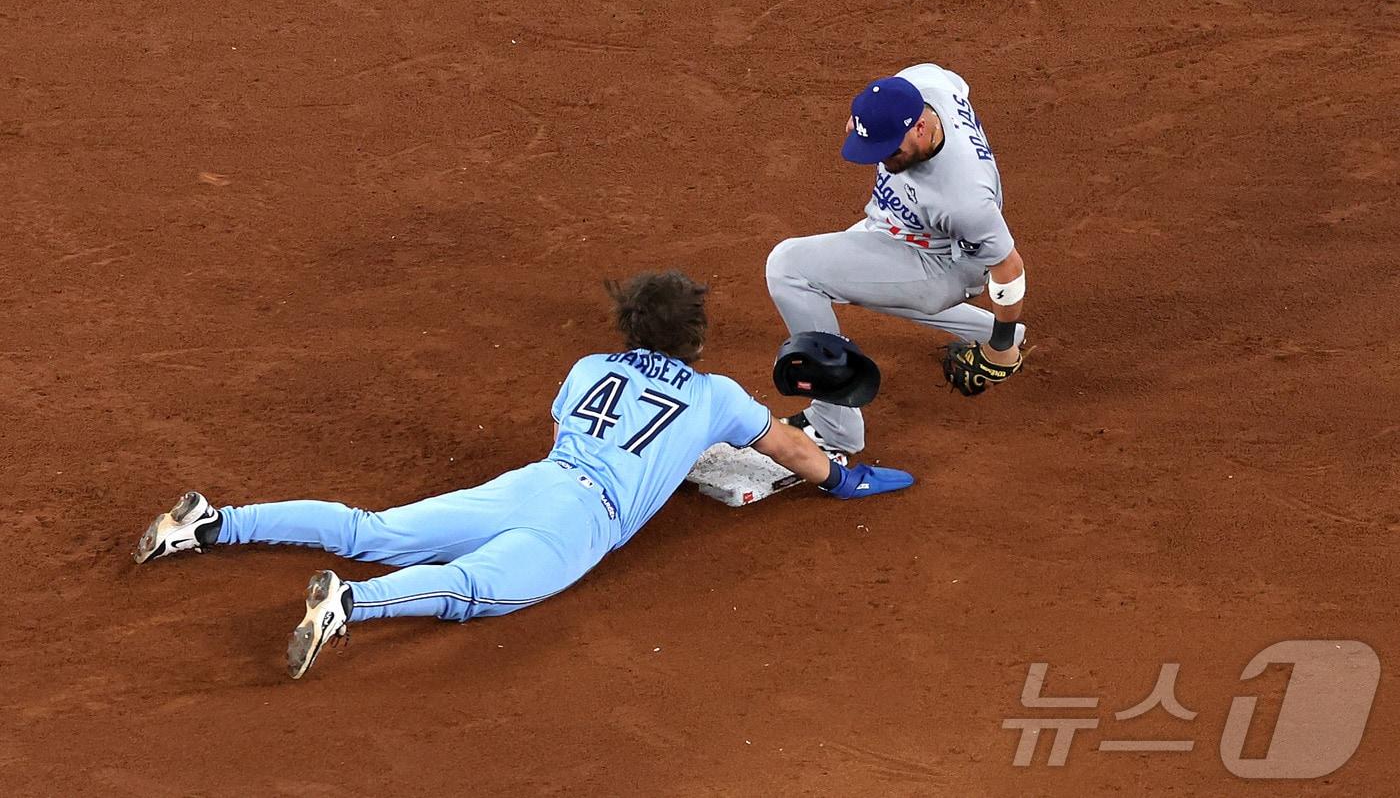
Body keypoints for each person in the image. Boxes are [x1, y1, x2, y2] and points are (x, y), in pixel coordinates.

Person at [133, 271, 915, 679]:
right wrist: (843, 480)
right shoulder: (715, 397)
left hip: (530, 482)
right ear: (695, 334)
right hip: (578, 521)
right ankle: (351, 604)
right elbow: (786, 447)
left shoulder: (587, 367)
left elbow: (566, 432)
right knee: (472, 589)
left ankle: (211, 521)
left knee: (371, 528)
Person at [765, 63, 1030, 457]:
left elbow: (1009, 270)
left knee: (790, 269)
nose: (882, 159)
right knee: (853, 279)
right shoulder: (923, 83)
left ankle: (835, 427)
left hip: (943, 265)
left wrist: (1002, 349)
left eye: (890, 150)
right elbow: (954, 84)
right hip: (897, 231)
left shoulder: (963, 199)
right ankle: (982, 330)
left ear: (920, 128)